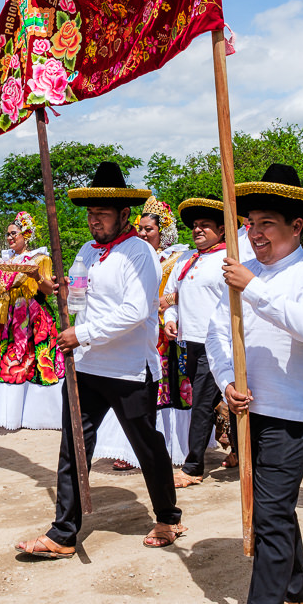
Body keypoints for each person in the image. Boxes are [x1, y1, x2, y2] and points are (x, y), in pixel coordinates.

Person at [16, 162, 184, 558]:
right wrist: (58, 290)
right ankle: (63, 533)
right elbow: (77, 299)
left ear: (124, 214)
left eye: (102, 214)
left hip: (129, 369)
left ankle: (168, 516)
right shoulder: (86, 252)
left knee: (146, 445)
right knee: (74, 446)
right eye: (91, 213)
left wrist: (83, 333)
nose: (94, 221)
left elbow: (136, 311)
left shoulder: (140, 253)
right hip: (87, 367)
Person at [206, 164, 303, 604]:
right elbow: (217, 334)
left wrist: (253, 287)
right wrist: (227, 380)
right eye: (250, 223)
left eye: (266, 223)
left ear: (296, 226)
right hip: (248, 410)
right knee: (274, 507)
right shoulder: (242, 275)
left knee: (270, 516)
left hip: (292, 414)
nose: (255, 233)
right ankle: (295, 590)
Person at [92, 196, 193, 469]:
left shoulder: (179, 258)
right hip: (138, 331)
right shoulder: (133, 253)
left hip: (166, 332)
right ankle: (129, 450)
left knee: (165, 391)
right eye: (141, 228)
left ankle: (167, 448)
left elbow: (190, 291)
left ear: (164, 231)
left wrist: (167, 302)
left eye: (150, 229)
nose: (144, 233)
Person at [0, 211, 64, 434]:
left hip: (29, 316)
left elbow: (49, 290)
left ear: (26, 234)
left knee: (27, 362)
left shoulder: (39, 259)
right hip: (6, 316)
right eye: (8, 234)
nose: (9, 238)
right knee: (2, 360)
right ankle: (0, 409)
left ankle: (31, 412)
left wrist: (36, 276)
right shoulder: (7, 260)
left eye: (13, 233)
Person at [165, 196, 237, 487]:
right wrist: (170, 317)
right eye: (195, 225)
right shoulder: (185, 259)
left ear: (221, 230)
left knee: (203, 403)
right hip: (189, 341)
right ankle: (239, 450)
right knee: (220, 400)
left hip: (217, 342)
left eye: (204, 225)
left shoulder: (229, 258)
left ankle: (193, 467)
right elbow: (172, 294)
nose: (197, 230)